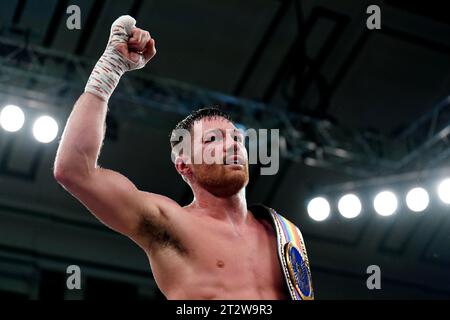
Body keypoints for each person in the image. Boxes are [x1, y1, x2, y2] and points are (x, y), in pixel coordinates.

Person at [53, 15, 313, 300]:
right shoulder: (169, 223)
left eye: (237, 138)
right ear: (184, 165)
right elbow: (74, 171)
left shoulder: (285, 234)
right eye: (213, 139)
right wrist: (109, 71)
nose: (233, 146)